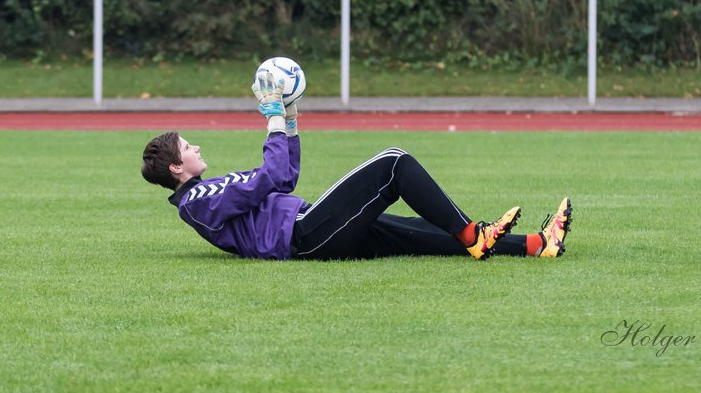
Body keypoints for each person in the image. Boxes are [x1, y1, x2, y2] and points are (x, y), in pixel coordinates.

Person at [141, 70, 572, 261]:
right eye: (187, 146)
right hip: (304, 236)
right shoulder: (198, 200)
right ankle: (473, 233)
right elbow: (271, 176)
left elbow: (284, 178)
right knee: (393, 163)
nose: (196, 146)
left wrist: (289, 122)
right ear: (177, 168)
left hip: (309, 228)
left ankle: (537, 245)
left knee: (415, 234)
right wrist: (272, 116)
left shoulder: (208, 190)